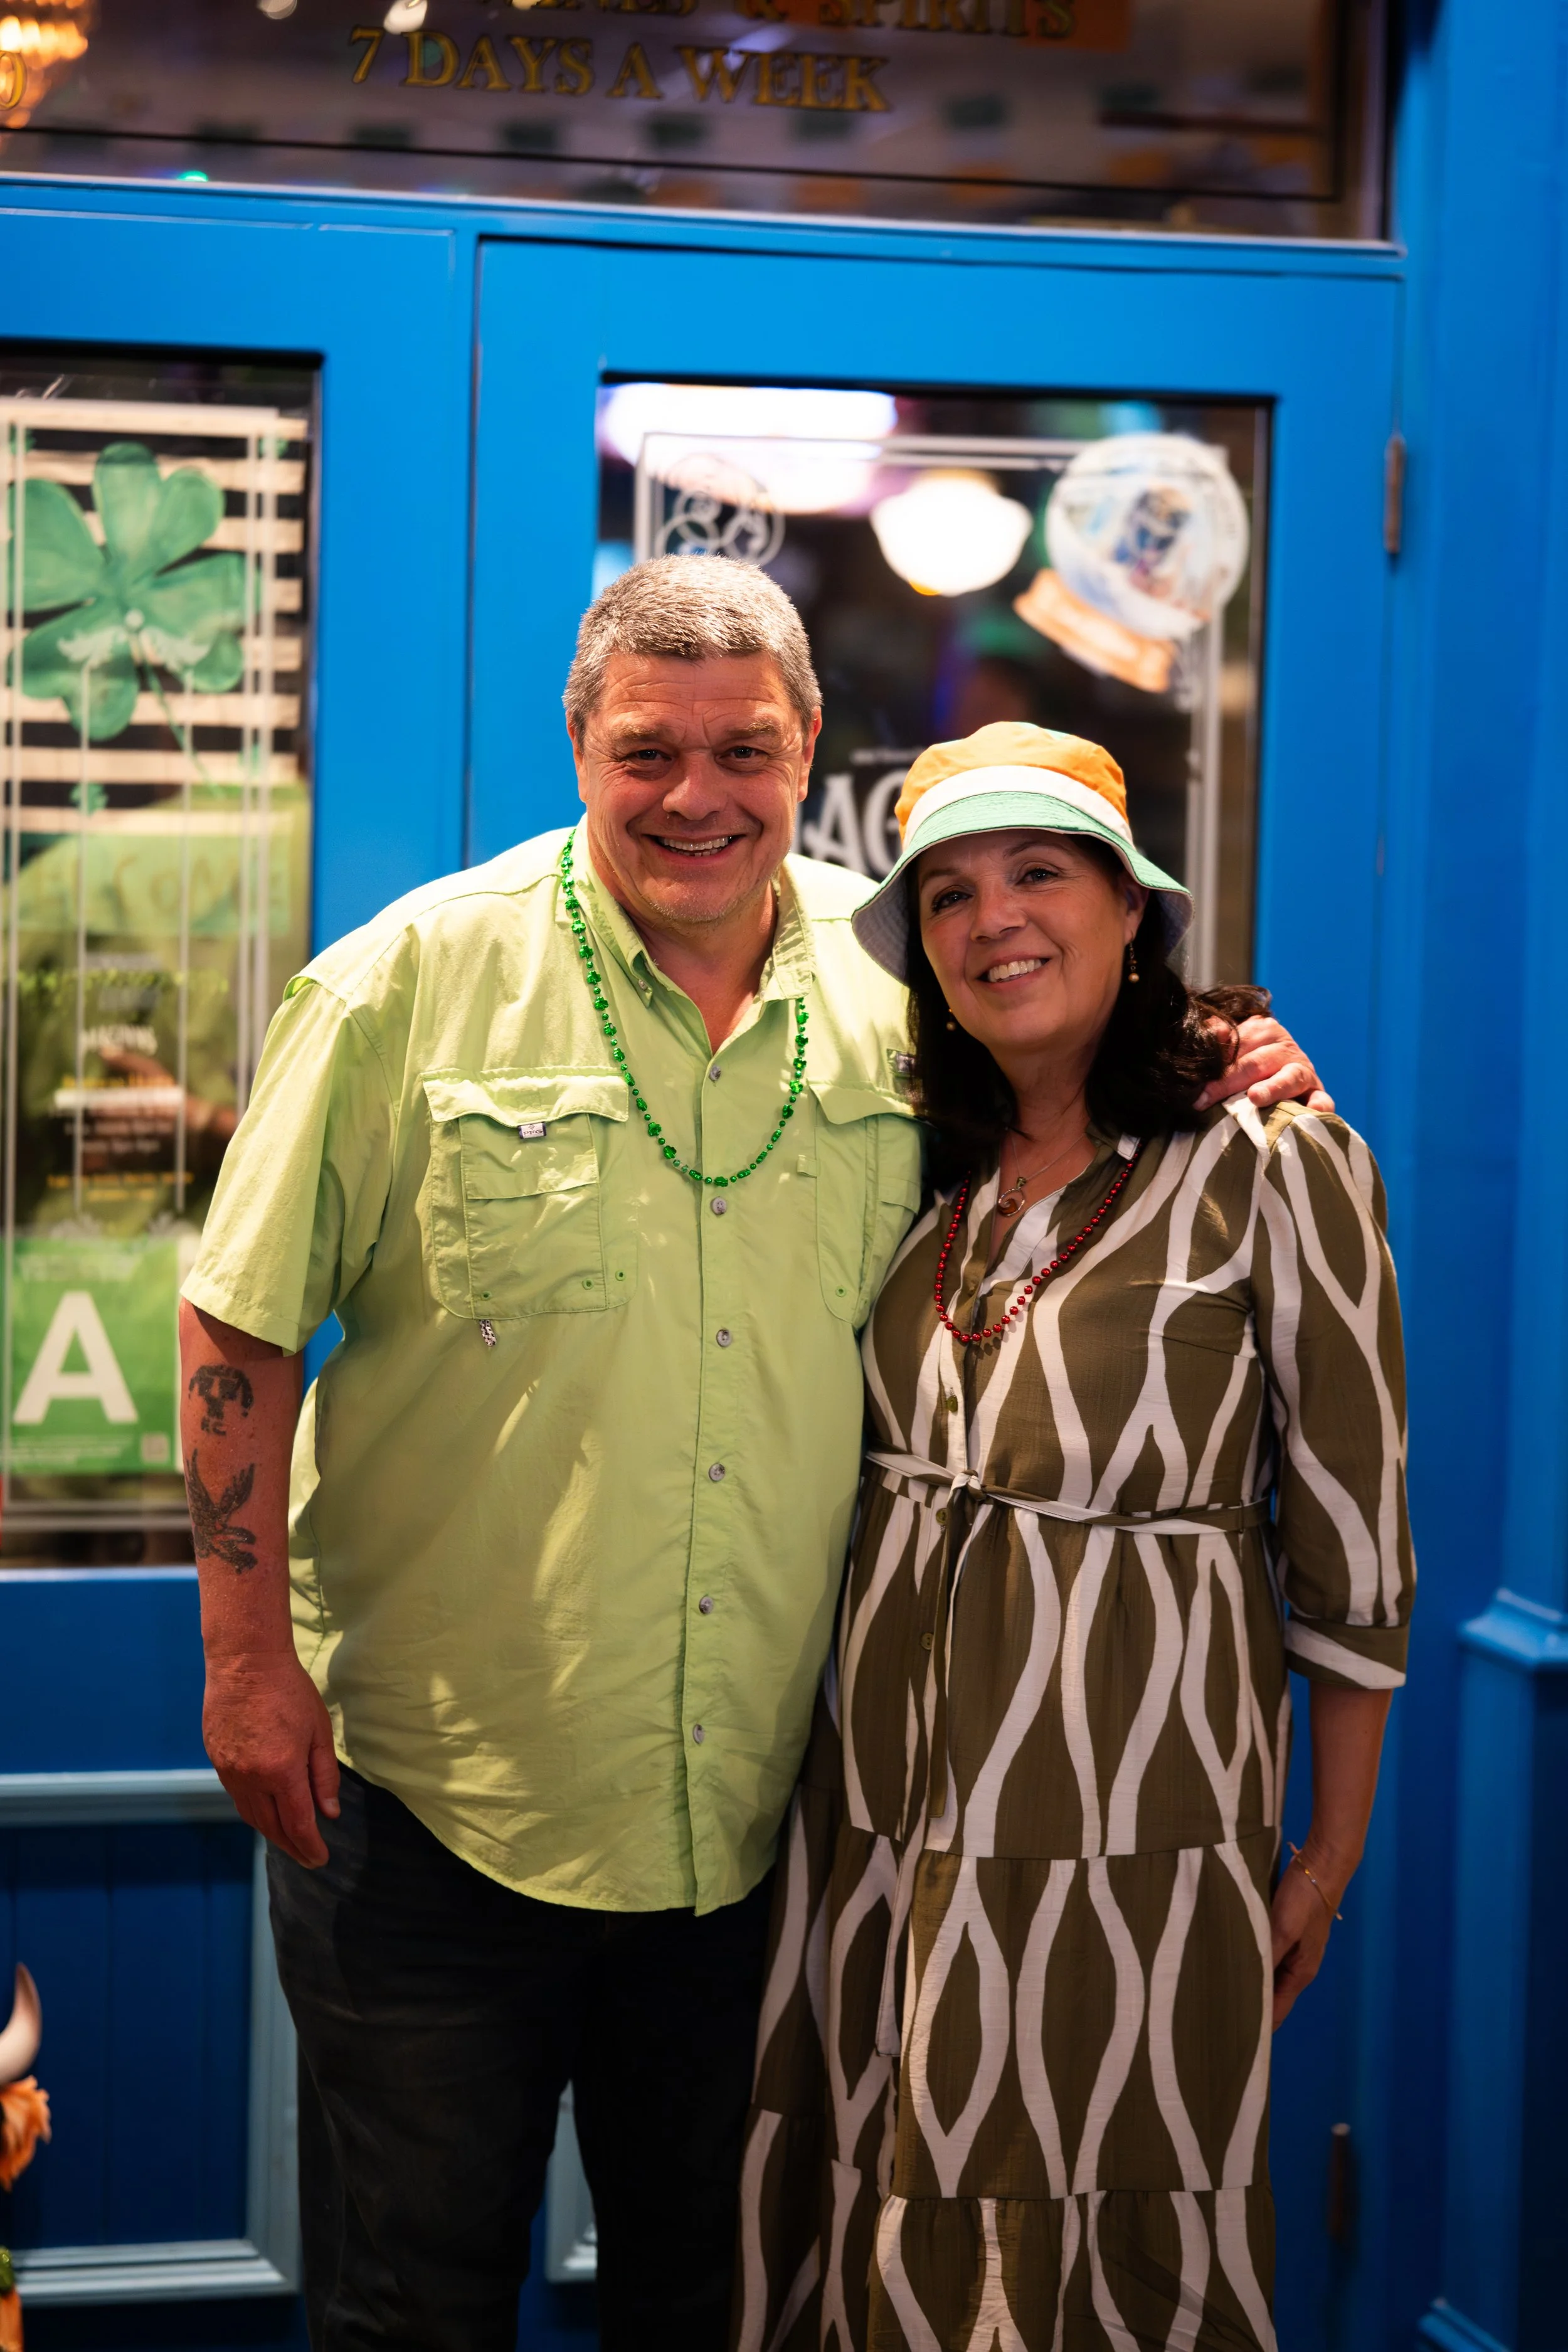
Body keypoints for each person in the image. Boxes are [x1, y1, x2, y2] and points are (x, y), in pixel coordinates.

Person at [175, 563, 1325, 2352]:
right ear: (580, 747)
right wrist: (246, 1666)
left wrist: (1237, 1054)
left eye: (743, 751)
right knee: (411, 2307)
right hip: (434, 1813)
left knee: (721, 2302)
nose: (694, 794)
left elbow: (1078, 1087)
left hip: (768, 1824)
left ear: (807, 753)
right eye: (648, 751)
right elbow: (236, 1328)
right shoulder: (406, 981)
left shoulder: (902, 986)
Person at [734, 724, 1412, 2352]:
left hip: (1130, 1838)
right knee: (878, 2214)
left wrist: (1325, 1856)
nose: (995, 920)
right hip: (878, 1829)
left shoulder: (1277, 1160)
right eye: (949, 894)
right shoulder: (914, 1158)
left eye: (1039, 871)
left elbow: (1356, 1548)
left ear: (1130, 909)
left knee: (1110, 2242)